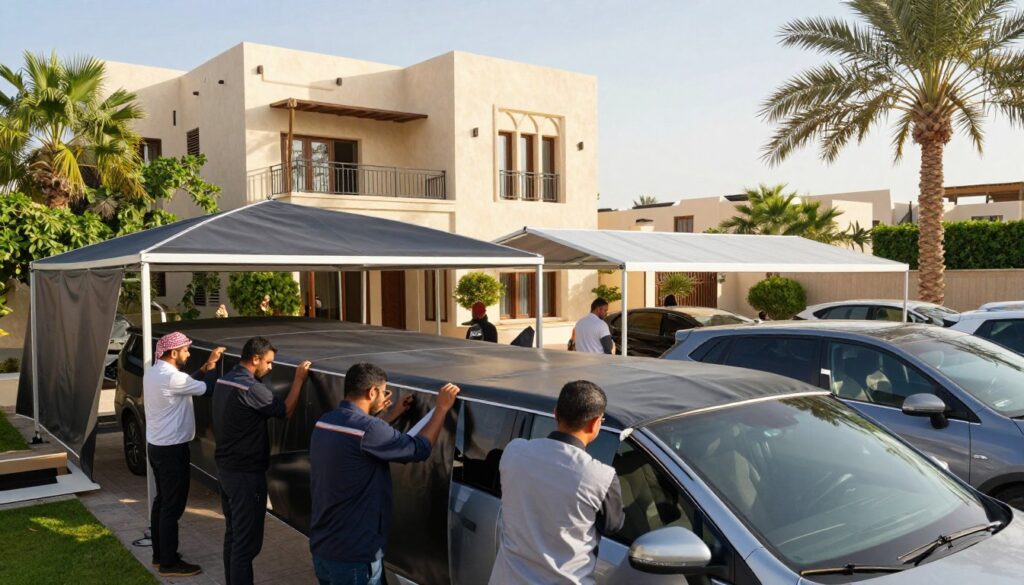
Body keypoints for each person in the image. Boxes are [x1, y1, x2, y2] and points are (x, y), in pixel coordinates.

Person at [309, 363, 461, 585]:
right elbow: (419, 448)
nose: (385, 397)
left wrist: (392, 414)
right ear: (372, 392)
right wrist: (441, 408)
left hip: (324, 549)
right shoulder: (369, 430)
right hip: (354, 557)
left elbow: (360, 441)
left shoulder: (325, 422)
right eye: (384, 391)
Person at [489, 380, 624, 585]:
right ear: (596, 423)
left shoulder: (514, 451)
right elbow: (613, 525)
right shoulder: (601, 477)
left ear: (555, 413)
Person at [212, 336, 311, 585]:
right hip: (246, 476)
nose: (270, 367)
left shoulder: (225, 379)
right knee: (246, 545)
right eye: (268, 362)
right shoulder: (251, 388)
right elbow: (285, 411)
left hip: (226, 471)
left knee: (233, 536)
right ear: (255, 359)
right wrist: (299, 380)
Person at [144, 332, 226, 577]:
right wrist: (212, 364)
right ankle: (169, 563)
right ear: (173, 353)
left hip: (157, 446)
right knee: (173, 507)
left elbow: (186, 383)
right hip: (172, 450)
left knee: (161, 503)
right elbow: (208, 389)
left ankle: (160, 556)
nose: (188, 354)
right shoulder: (173, 378)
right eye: (186, 350)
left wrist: (203, 369)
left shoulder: (154, 372)